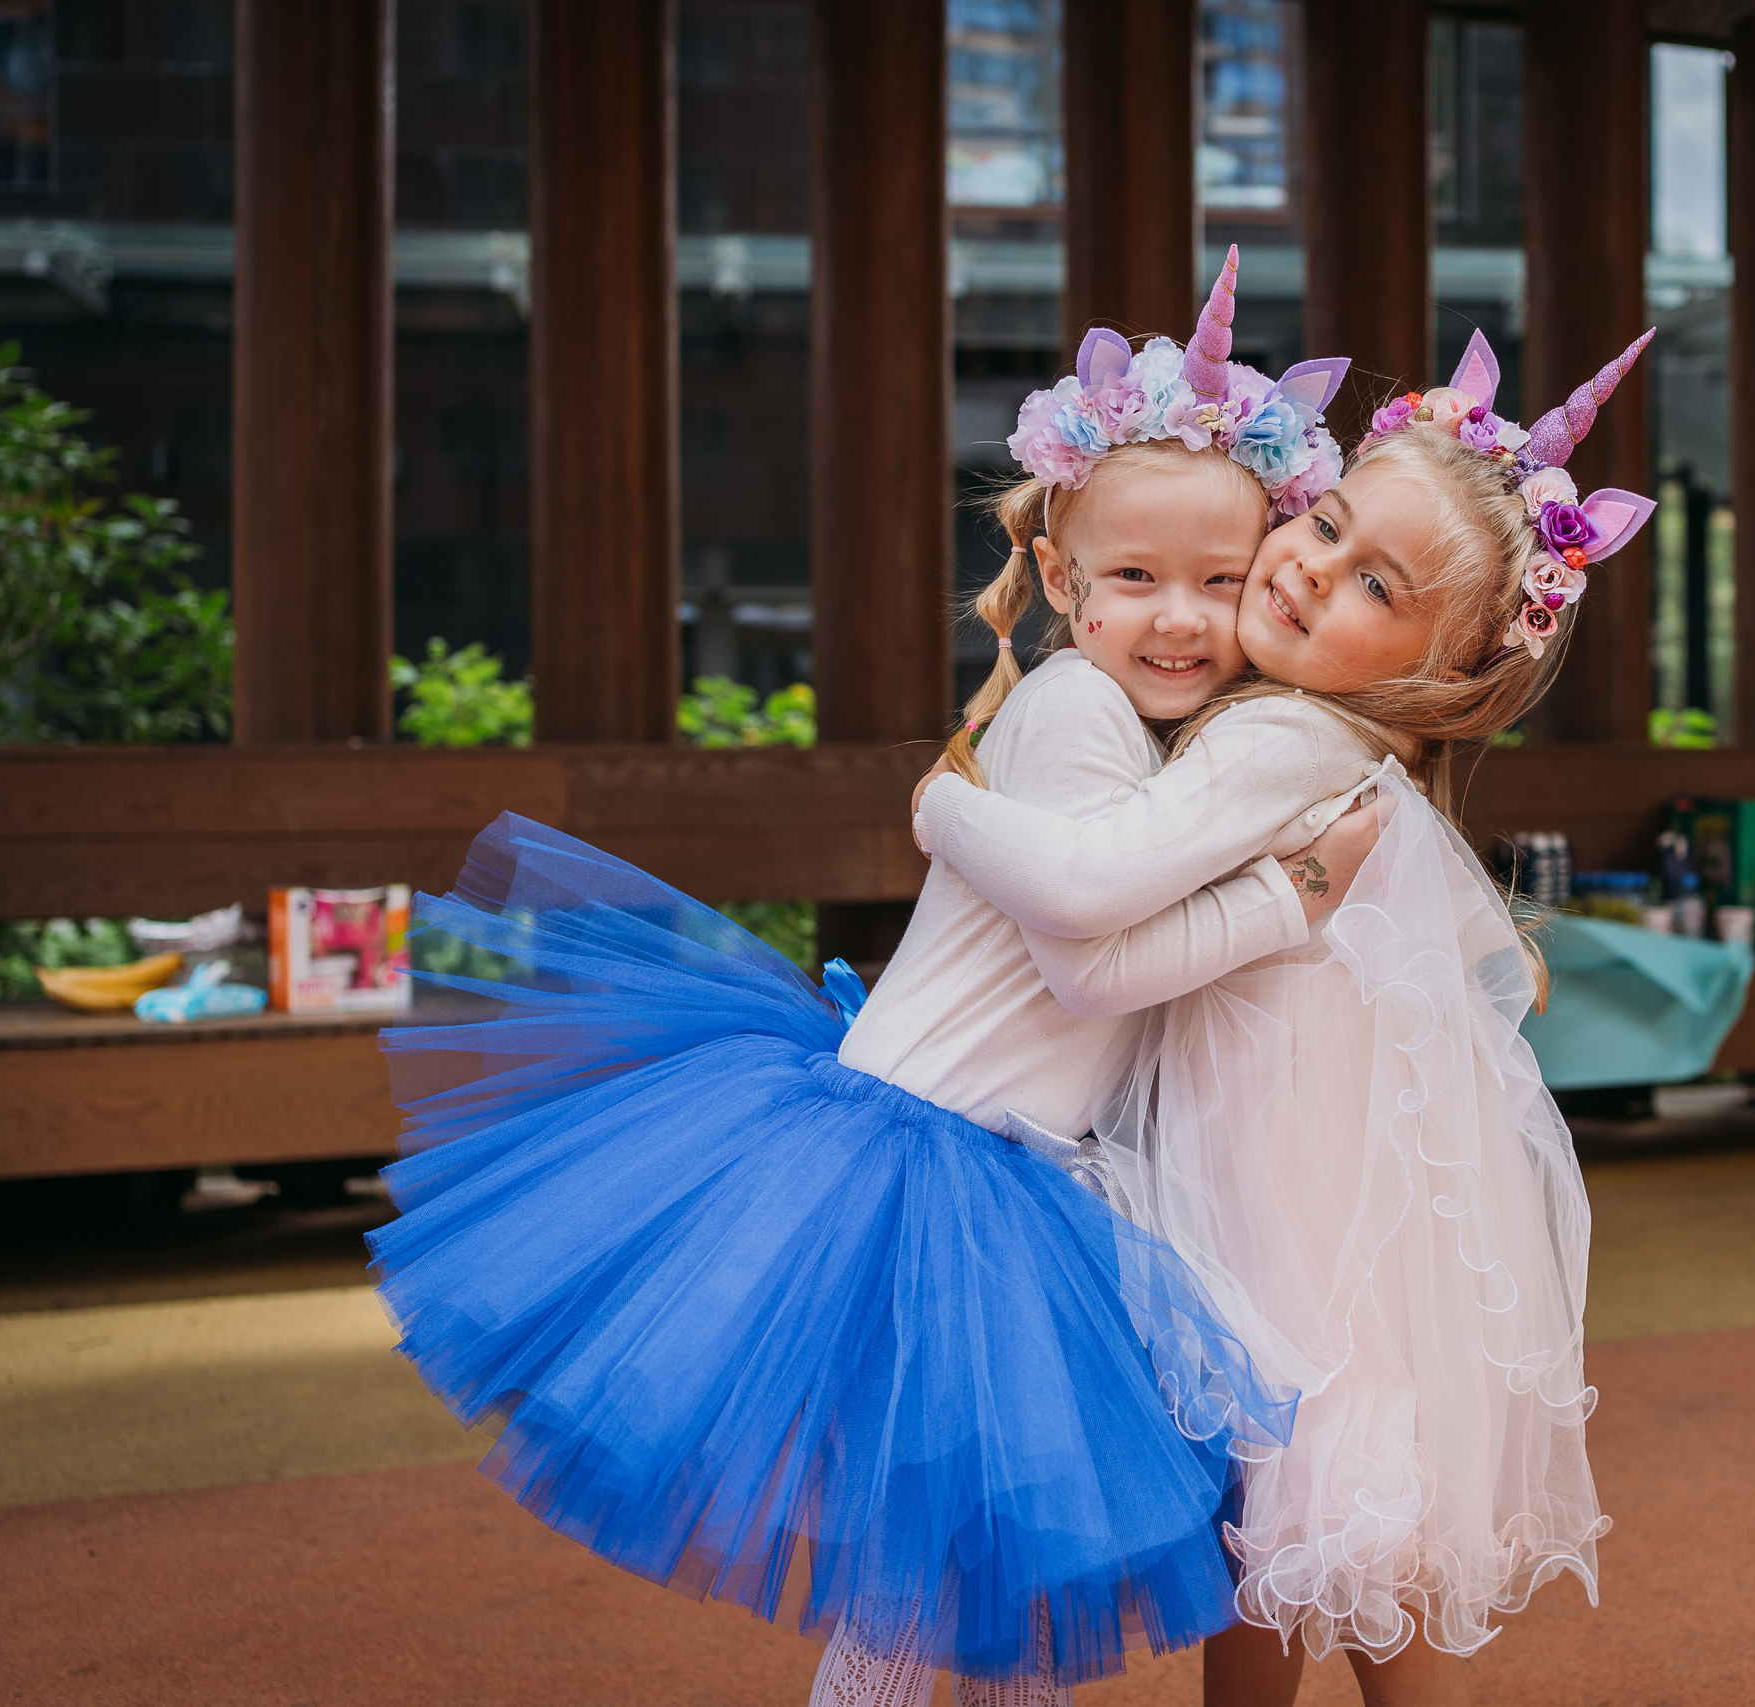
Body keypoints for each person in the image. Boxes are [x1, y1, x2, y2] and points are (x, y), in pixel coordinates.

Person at [368, 253, 1369, 1705]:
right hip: (934, 1171)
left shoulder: (1144, 737)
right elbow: (1087, 967)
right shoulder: (1083, 712)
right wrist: (1289, 896)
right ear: (1060, 584)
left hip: (991, 1168)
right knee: (939, 1599)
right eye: (1137, 580)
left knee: (982, 1589)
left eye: (1221, 584)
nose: (1182, 619)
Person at [911, 327, 1655, 1707]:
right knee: (1337, 1538)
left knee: (1287, 1520)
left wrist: (944, 801)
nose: (1311, 562)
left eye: (1375, 580)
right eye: (1324, 520)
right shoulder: (1326, 742)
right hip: (1321, 1228)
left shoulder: (1275, 741)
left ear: (1443, 662)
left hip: (1277, 1232)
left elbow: (1092, 916)